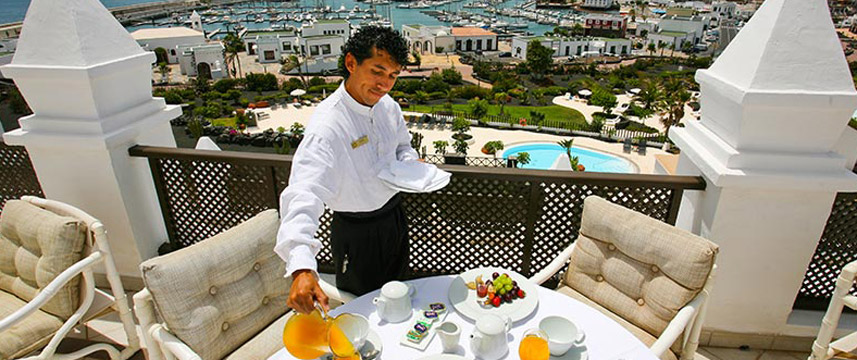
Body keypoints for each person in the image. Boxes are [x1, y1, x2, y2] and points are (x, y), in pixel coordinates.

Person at [275, 26, 416, 314]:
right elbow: (304, 193)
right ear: (351, 63)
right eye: (377, 71)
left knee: (400, 296)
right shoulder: (327, 127)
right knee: (363, 312)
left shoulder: (388, 106)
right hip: (356, 234)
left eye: (392, 75)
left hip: (395, 219)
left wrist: (412, 166)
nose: (385, 85)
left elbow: (404, 147)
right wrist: (301, 266)